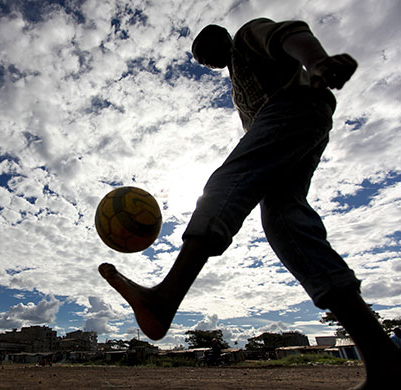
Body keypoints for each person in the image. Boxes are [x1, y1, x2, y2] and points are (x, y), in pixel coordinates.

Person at [99, 18, 400, 389]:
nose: (205, 62)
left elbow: (288, 34)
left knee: (228, 180)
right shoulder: (237, 83)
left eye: (203, 54)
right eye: (201, 62)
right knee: (285, 224)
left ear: (218, 39)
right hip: (299, 126)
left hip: (294, 106)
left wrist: (317, 62)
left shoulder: (245, 37)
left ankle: (166, 298)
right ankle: (385, 362)